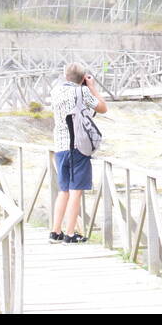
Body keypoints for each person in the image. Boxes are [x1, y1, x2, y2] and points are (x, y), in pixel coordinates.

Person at [49, 62, 106, 244]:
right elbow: (103, 108)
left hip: (59, 146)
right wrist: (91, 87)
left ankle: (55, 232)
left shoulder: (55, 92)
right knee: (75, 192)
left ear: (65, 76)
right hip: (78, 147)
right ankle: (70, 234)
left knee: (63, 191)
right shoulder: (82, 92)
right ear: (82, 78)